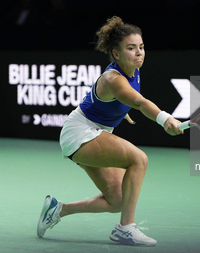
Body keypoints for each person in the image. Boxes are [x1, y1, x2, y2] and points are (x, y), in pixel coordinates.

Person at [37, 15, 183, 246]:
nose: (139, 53)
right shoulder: (113, 78)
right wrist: (165, 118)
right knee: (139, 159)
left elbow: (115, 99)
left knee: (117, 201)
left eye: (141, 47)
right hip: (81, 132)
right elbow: (139, 102)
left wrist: (118, 110)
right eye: (131, 48)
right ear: (116, 53)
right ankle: (126, 229)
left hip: (96, 130)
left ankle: (58, 209)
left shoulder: (133, 70)